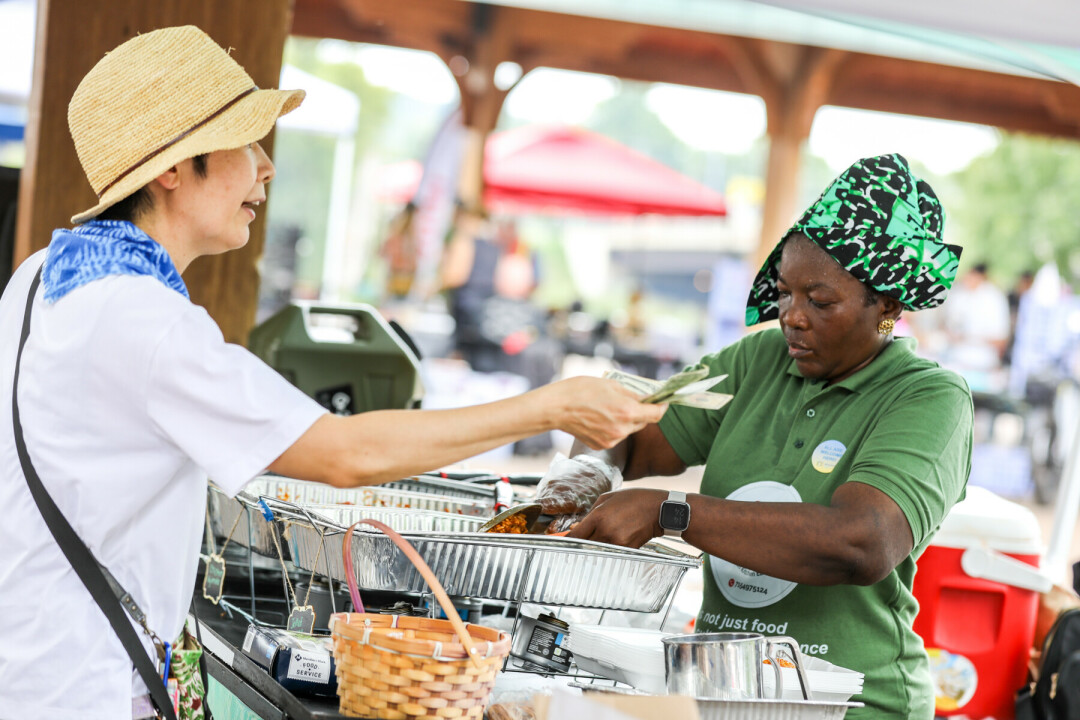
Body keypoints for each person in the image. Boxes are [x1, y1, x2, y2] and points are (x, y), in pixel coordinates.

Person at [0, 27, 665, 720]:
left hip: (29, 664)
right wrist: (550, 408)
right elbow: (348, 455)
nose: (266, 167)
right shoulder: (146, 321)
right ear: (171, 168)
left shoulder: (43, 276)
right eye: (246, 141)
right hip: (86, 689)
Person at [541, 154, 973, 718]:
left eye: (819, 302)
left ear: (887, 306)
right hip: (723, 689)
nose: (791, 316)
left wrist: (673, 513)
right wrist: (592, 468)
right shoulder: (758, 361)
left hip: (852, 704)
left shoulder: (927, 397)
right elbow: (632, 429)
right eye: (783, 292)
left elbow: (861, 541)